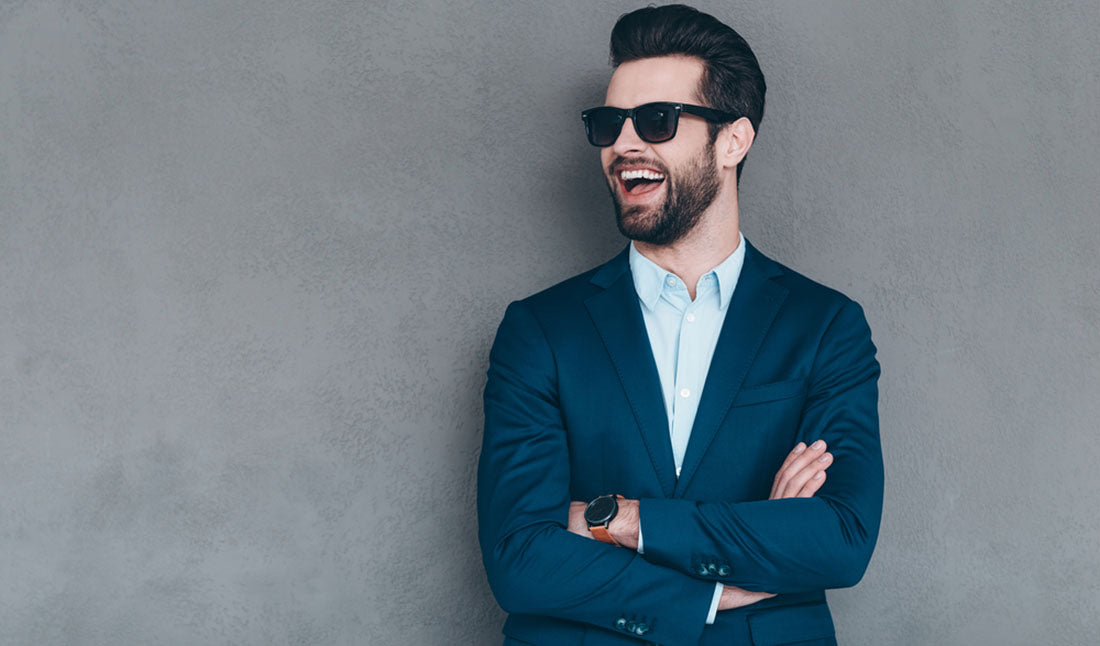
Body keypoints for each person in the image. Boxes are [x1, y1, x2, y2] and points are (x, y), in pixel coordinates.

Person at [477, 5, 883, 645]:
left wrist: (621, 520)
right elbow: (519, 558)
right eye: (610, 123)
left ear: (733, 141)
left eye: (657, 120)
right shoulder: (539, 330)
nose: (624, 144)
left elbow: (840, 540)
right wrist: (721, 584)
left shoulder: (826, 326)